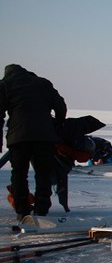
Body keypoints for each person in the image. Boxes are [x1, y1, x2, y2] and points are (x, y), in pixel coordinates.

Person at [0, 64, 67, 220]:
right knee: (43, 173)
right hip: (45, 136)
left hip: (18, 137)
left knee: (19, 173)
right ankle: (42, 208)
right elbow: (61, 106)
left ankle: (22, 209)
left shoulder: (5, 84)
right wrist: (57, 124)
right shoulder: (42, 83)